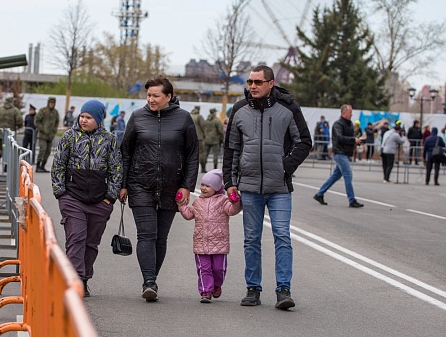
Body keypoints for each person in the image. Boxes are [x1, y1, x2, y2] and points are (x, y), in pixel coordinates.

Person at [224, 65, 312, 310]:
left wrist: (286, 167)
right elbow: (231, 148)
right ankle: (253, 289)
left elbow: (304, 141)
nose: (253, 86)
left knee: (282, 236)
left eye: (258, 82)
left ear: (271, 83)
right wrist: (230, 182)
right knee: (251, 239)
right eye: (250, 82)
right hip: (249, 186)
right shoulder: (239, 110)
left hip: (279, 187)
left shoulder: (288, 108)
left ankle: (283, 290)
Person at [119, 75, 199, 302]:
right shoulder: (138, 117)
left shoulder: (184, 118)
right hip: (140, 184)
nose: (151, 99)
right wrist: (123, 184)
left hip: (171, 186)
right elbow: (125, 152)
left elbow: (192, 155)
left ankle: (151, 279)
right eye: (148, 95)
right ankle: (149, 282)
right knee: (146, 235)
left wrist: (187, 186)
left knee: (161, 238)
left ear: (168, 96)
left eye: (155, 95)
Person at [51, 100, 122, 297]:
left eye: (88, 117)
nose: (83, 120)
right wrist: (61, 193)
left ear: (98, 119)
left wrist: (110, 197)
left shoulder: (109, 139)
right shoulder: (69, 137)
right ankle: (74, 280)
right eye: (82, 116)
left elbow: (116, 169)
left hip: (100, 201)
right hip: (72, 198)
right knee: (76, 238)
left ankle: (84, 278)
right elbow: (58, 165)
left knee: (91, 243)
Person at [177, 169, 242, 303]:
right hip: (201, 243)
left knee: (219, 269)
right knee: (203, 268)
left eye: (208, 186)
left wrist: (235, 201)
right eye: (202, 185)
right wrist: (181, 204)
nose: (203, 188)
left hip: (219, 243)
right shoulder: (197, 202)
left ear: (216, 188)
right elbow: (189, 214)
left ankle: (216, 285)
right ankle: (206, 291)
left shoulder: (223, 201)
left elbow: (232, 210)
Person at [314, 105, 365, 208]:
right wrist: (353, 140)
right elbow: (340, 138)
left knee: (335, 176)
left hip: (344, 153)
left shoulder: (349, 124)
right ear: (344, 113)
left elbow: (350, 137)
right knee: (348, 175)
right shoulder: (338, 124)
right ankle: (352, 200)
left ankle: (319, 194)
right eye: (350, 112)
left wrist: (357, 141)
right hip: (339, 153)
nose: (351, 114)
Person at [0, 97, 24, 169]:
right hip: (10, 133)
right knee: (9, 149)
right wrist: (17, 127)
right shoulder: (15, 110)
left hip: (0, 132)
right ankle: (6, 165)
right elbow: (19, 120)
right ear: (12, 102)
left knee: (1, 147)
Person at [34, 96, 60, 172]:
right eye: (50, 103)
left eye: (53, 103)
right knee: (43, 149)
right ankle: (38, 166)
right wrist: (42, 129)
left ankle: (43, 166)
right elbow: (37, 121)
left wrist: (54, 131)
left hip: (50, 136)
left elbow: (57, 122)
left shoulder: (55, 112)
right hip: (42, 135)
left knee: (48, 151)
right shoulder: (43, 111)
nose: (51, 104)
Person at [191, 106, 207, 172]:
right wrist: (204, 134)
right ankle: (203, 168)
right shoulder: (199, 116)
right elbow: (203, 126)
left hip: (190, 137)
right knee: (201, 153)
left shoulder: (189, 115)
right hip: (199, 137)